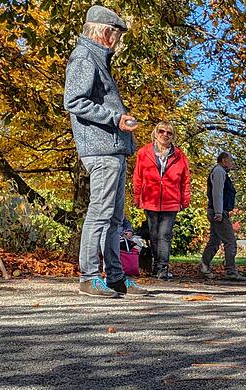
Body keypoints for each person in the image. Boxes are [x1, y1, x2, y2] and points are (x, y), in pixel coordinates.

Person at [64, 5, 147, 297]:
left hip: (113, 148)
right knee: (100, 213)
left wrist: (119, 120)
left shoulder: (98, 59)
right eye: (117, 34)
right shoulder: (85, 56)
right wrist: (115, 118)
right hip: (100, 148)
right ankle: (88, 277)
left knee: (114, 217)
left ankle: (115, 278)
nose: (118, 41)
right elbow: (74, 101)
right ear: (105, 31)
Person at [132, 121, 191, 280]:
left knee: (164, 235)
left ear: (173, 136)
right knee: (153, 234)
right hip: (150, 199)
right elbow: (138, 177)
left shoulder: (179, 155)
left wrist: (185, 199)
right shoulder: (144, 152)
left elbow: (185, 179)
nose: (165, 135)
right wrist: (137, 197)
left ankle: (162, 269)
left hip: (171, 200)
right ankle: (156, 265)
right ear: (155, 133)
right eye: (161, 131)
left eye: (169, 133)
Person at [199, 152, 246, 281]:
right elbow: (217, 192)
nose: (232, 163)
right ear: (224, 160)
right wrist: (219, 212)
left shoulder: (220, 172)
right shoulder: (219, 172)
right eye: (231, 160)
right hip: (218, 212)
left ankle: (204, 266)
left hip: (217, 211)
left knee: (214, 241)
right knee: (230, 241)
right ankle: (231, 271)